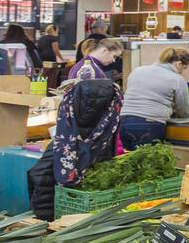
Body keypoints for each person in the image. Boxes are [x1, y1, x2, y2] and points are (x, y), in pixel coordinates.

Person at [26, 78, 122, 221]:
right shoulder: (103, 138)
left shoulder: (65, 142)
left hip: (64, 218)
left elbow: (39, 176)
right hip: (62, 219)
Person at [119, 47, 189, 149]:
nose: (182, 72)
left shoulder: (137, 71)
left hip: (123, 121)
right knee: (146, 157)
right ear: (178, 64)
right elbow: (183, 110)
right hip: (149, 124)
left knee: (126, 156)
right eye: (184, 68)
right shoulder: (177, 79)